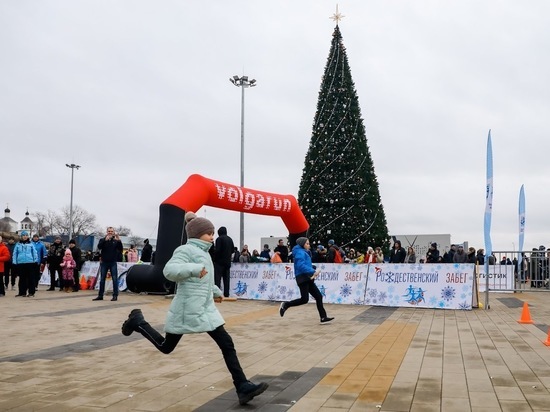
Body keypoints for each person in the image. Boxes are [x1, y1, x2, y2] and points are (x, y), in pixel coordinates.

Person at [120, 212, 268, 405]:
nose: (212, 236)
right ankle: (138, 322)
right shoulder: (185, 250)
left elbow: (204, 280)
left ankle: (242, 386)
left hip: (205, 309)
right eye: (208, 233)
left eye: (212, 232)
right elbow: (169, 271)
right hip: (187, 308)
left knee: (227, 343)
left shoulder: (205, 253)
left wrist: (215, 291)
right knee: (166, 347)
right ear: (197, 235)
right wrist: (194, 269)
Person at [279, 237, 334, 323]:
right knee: (304, 299)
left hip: (307, 277)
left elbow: (304, 264)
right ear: (302, 244)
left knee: (318, 296)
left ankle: (323, 317)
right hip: (302, 278)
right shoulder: (300, 253)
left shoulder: (304, 252)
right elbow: (300, 266)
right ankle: (286, 304)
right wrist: (312, 271)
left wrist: (312, 268)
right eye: (307, 243)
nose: (309, 245)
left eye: (308, 243)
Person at [93, 227, 123, 301]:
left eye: (111, 231)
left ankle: (115, 295)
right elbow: (99, 247)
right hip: (104, 262)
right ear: (107, 232)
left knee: (115, 279)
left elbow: (121, 249)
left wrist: (119, 240)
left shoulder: (115, 241)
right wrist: (104, 240)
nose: (110, 232)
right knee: (102, 279)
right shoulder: (102, 239)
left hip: (113, 262)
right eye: (109, 231)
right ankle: (100, 295)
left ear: (113, 232)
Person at [13, 231, 38, 297]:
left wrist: (35, 261)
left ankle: (31, 292)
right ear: (21, 236)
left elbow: (34, 253)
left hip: (30, 262)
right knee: (22, 278)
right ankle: (22, 292)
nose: (25, 236)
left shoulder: (31, 244)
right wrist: (14, 262)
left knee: (31, 278)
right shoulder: (18, 244)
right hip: (21, 263)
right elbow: (15, 254)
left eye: (26, 235)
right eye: (23, 235)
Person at [214, 226, 234, 297]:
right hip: (227, 262)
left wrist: (214, 257)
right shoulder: (230, 239)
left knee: (217, 279)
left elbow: (217, 250)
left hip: (219, 262)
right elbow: (232, 250)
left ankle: (217, 294)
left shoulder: (219, 239)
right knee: (226, 279)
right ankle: (226, 294)